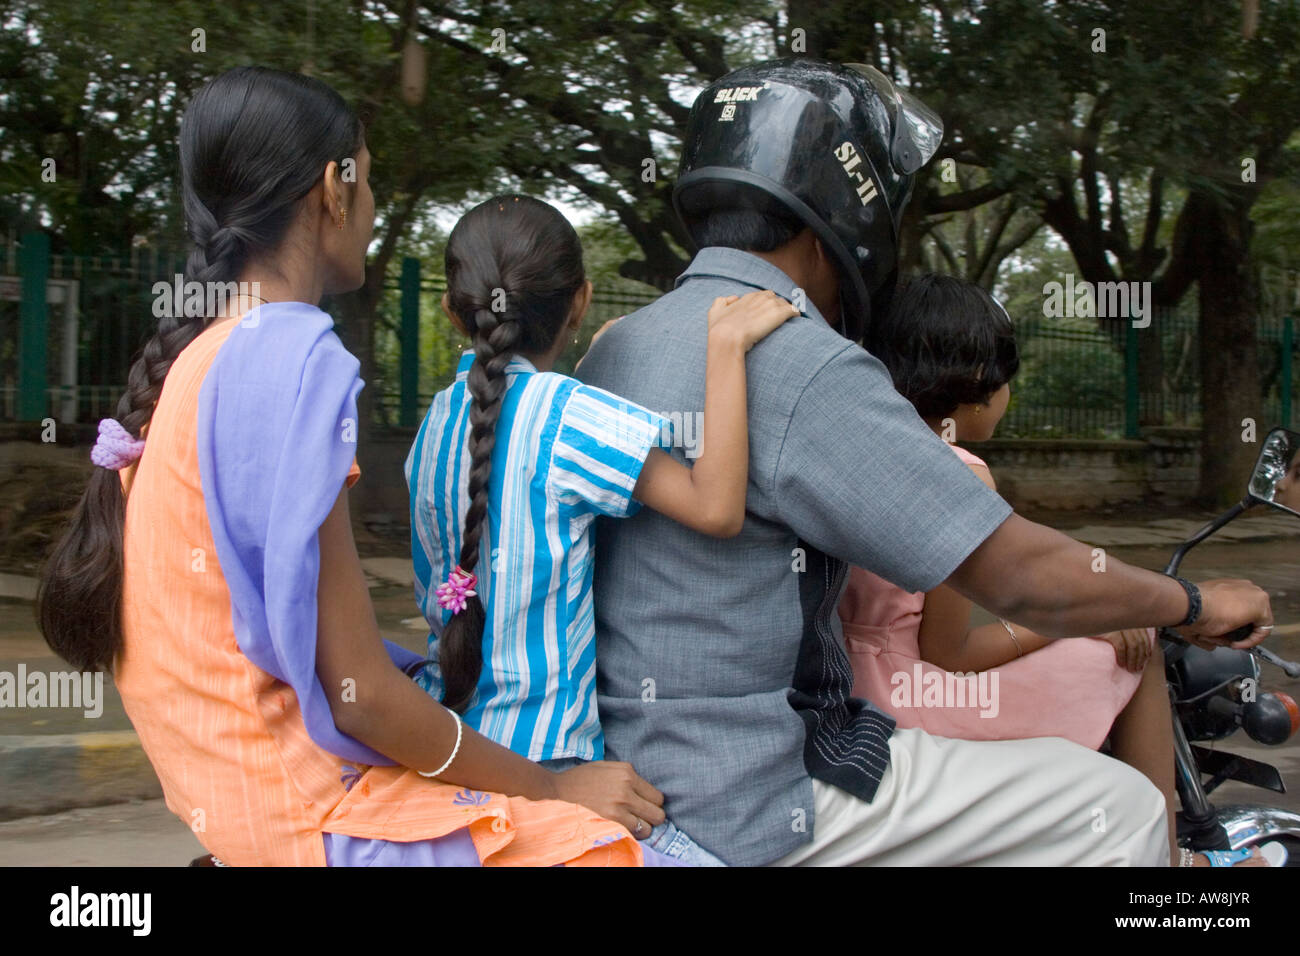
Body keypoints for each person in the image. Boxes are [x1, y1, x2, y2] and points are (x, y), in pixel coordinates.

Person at [575, 57, 1273, 867]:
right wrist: (1189, 600)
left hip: (631, 760)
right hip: (754, 789)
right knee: (1112, 804)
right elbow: (1017, 574)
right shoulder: (799, 360)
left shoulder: (617, 346)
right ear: (844, 215)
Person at [36, 66, 676, 867]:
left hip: (237, 808)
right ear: (332, 191)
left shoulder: (194, 361)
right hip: (318, 815)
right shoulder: (288, 350)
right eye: (366, 183)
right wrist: (550, 789)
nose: (371, 214)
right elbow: (362, 696)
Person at [404, 196, 796, 853]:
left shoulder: (434, 427)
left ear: (452, 311)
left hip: (460, 758)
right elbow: (717, 507)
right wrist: (724, 348)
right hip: (550, 774)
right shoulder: (567, 415)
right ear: (582, 302)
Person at [840, 273, 1270, 867]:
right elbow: (949, 654)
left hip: (854, 685)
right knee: (1136, 639)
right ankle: (1169, 858)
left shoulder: (855, 455)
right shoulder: (957, 472)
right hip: (914, 697)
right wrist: (1081, 623)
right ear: (976, 387)